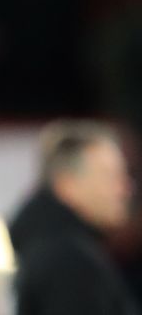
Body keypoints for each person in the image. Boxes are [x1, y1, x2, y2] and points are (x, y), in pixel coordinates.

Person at [9, 120, 139, 315]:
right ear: (67, 185)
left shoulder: (47, 249)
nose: (126, 188)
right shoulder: (71, 262)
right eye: (110, 176)